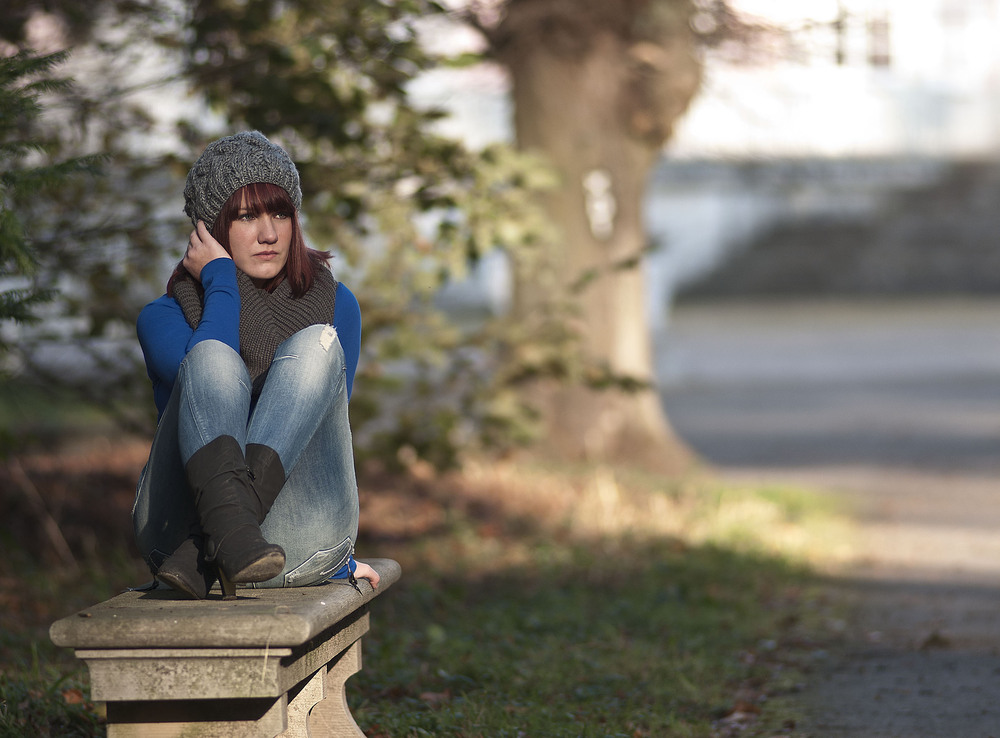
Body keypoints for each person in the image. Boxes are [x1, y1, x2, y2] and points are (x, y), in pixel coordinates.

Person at [132, 130, 379, 599]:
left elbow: (317, 439)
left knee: (315, 345)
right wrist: (220, 278)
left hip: (287, 541)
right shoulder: (162, 318)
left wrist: (337, 557)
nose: (269, 234)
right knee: (210, 357)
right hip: (172, 530)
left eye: (280, 213)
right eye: (246, 216)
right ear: (208, 229)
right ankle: (223, 539)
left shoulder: (336, 305)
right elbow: (213, 367)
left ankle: (206, 549)